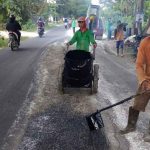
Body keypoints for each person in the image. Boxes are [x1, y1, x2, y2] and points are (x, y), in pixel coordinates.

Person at [120, 28, 150, 138]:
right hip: (147, 79)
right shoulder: (145, 43)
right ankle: (131, 126)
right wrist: (143, 81)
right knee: (137, 103)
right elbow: (139, 65)